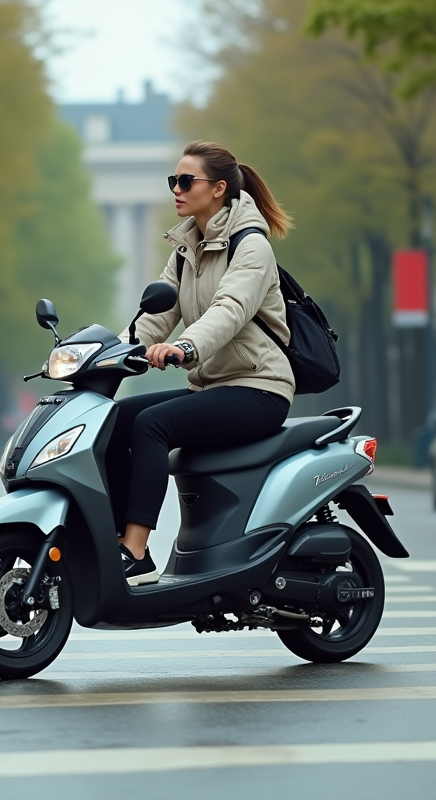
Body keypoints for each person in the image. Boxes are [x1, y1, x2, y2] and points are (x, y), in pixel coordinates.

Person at [108, 141, 296, 586]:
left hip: (259, 388)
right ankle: (115, 537)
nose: (176, 188)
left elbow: (229, 310)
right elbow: (155, 315)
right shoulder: (186, 248)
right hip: (213, 387)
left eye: (185, 181)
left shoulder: (252, 246)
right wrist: (105, 355)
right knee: (113, 418)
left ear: (217, 189)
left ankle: (136, 552)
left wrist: (185, 348)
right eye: (173, 180)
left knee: (151, 426)